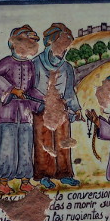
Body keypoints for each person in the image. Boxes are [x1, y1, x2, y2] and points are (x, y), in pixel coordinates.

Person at [0, 25, 44, 195]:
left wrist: (41, 101)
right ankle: (4, 182)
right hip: (8, 113)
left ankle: (25, 181)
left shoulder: (30, 65)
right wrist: (10, 90)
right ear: (17, 43)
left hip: (25, 114)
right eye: (28, 42)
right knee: (7, 146)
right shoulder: (7, 62)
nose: (31, 46)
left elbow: (31, 89)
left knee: (25, 146)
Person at [32, 23, 83, 189]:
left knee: (63, 142)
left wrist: (76, 109)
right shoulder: (36, 63)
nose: (69, 41)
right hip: (42, 109)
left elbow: (69, 91)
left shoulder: (67, 67)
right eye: (65, 37)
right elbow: (30, 87)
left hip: (61, 111)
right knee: (44, 143)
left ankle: (65, 174)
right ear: (52, 41)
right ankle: (44, 175)